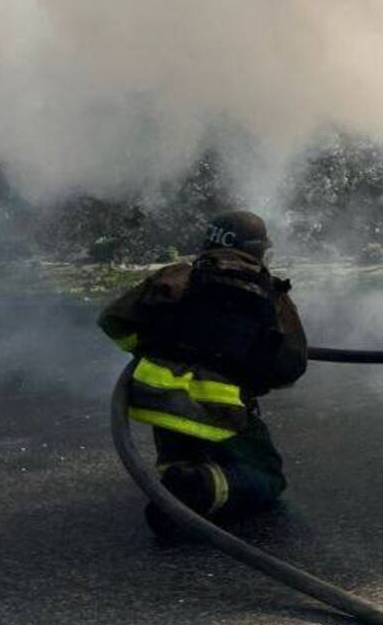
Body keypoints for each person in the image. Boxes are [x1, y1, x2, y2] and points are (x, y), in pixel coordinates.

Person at [99, 211, 309, 535]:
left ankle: (181, 488)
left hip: (160, 402)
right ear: (256, 249)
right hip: (222, 409)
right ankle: (199, 491)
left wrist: (149, 348)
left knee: (182, 460)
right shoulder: (271, 295)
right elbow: (290, 366)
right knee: (267, 477)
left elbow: (113, 320)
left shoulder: (178, 276)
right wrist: (252, 373)